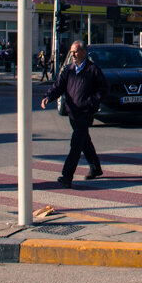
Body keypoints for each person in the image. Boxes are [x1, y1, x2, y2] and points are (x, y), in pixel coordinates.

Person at [40, 41, 107, 188]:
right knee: (84, 141)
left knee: (76, 143)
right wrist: (48, 97)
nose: (73, 54)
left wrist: (90, 102)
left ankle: (67, 176)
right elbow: (58, 86)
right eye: (72, 52)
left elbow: (102, 90)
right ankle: (95, 167)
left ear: (84, 52)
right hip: (73, 113)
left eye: (76, 51)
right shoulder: (69, 70)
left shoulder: (93, 70)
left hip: (85, 112)